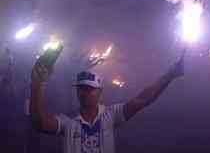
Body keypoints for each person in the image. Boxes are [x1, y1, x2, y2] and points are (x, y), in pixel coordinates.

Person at [30, 53, 185, 153]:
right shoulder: (68, 121)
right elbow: (39, 123)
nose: (85, 92)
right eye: (82, 88)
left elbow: (144, 99)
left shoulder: (110, 115)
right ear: (77, 91)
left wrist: (170, 75)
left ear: (100, 92)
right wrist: (37, 83)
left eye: (90, 88)